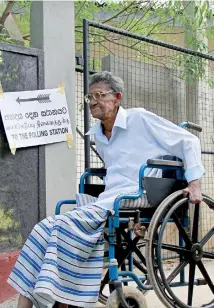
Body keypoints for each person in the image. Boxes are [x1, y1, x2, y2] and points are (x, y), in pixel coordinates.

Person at [8, 71, 204, 308]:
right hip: (109, 198)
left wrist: (194, 183)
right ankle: (51, 300)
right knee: (45, 230)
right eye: (89, 97)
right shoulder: (98, 135)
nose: (93, 102)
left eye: (100, 95)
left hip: (137, 194)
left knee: (56, 226)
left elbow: (188, 141)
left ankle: (59, 300)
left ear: (118, 97)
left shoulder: (139, 119)